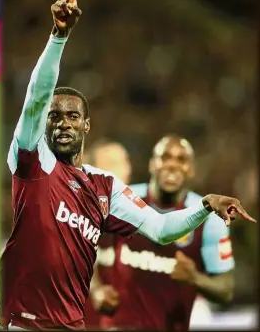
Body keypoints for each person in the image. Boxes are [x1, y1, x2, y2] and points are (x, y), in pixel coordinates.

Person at [0, 0, 254, 330]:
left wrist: (206, 205)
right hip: (25, 324)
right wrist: (59, 36)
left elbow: (163, 228)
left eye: (73, 116)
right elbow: (37, 97)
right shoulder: (32, 161)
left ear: (87, 125)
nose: (63, 123)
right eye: (55, 116)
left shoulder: (104, 188)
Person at [89, 135, 235, 331]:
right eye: (165, 157)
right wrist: (96, 290)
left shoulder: (209, 218)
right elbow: (80, 248)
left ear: (191, 169)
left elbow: (225, 289)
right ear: (152, 164)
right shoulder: (123, 201)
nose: (172, 165)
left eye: (181, 160)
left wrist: (195, 279)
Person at [81, 139, 132, 329]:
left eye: (124, 162)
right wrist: (95, 289)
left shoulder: (139, 213)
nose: (122, 170)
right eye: (111, 163)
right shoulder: (74, 211)